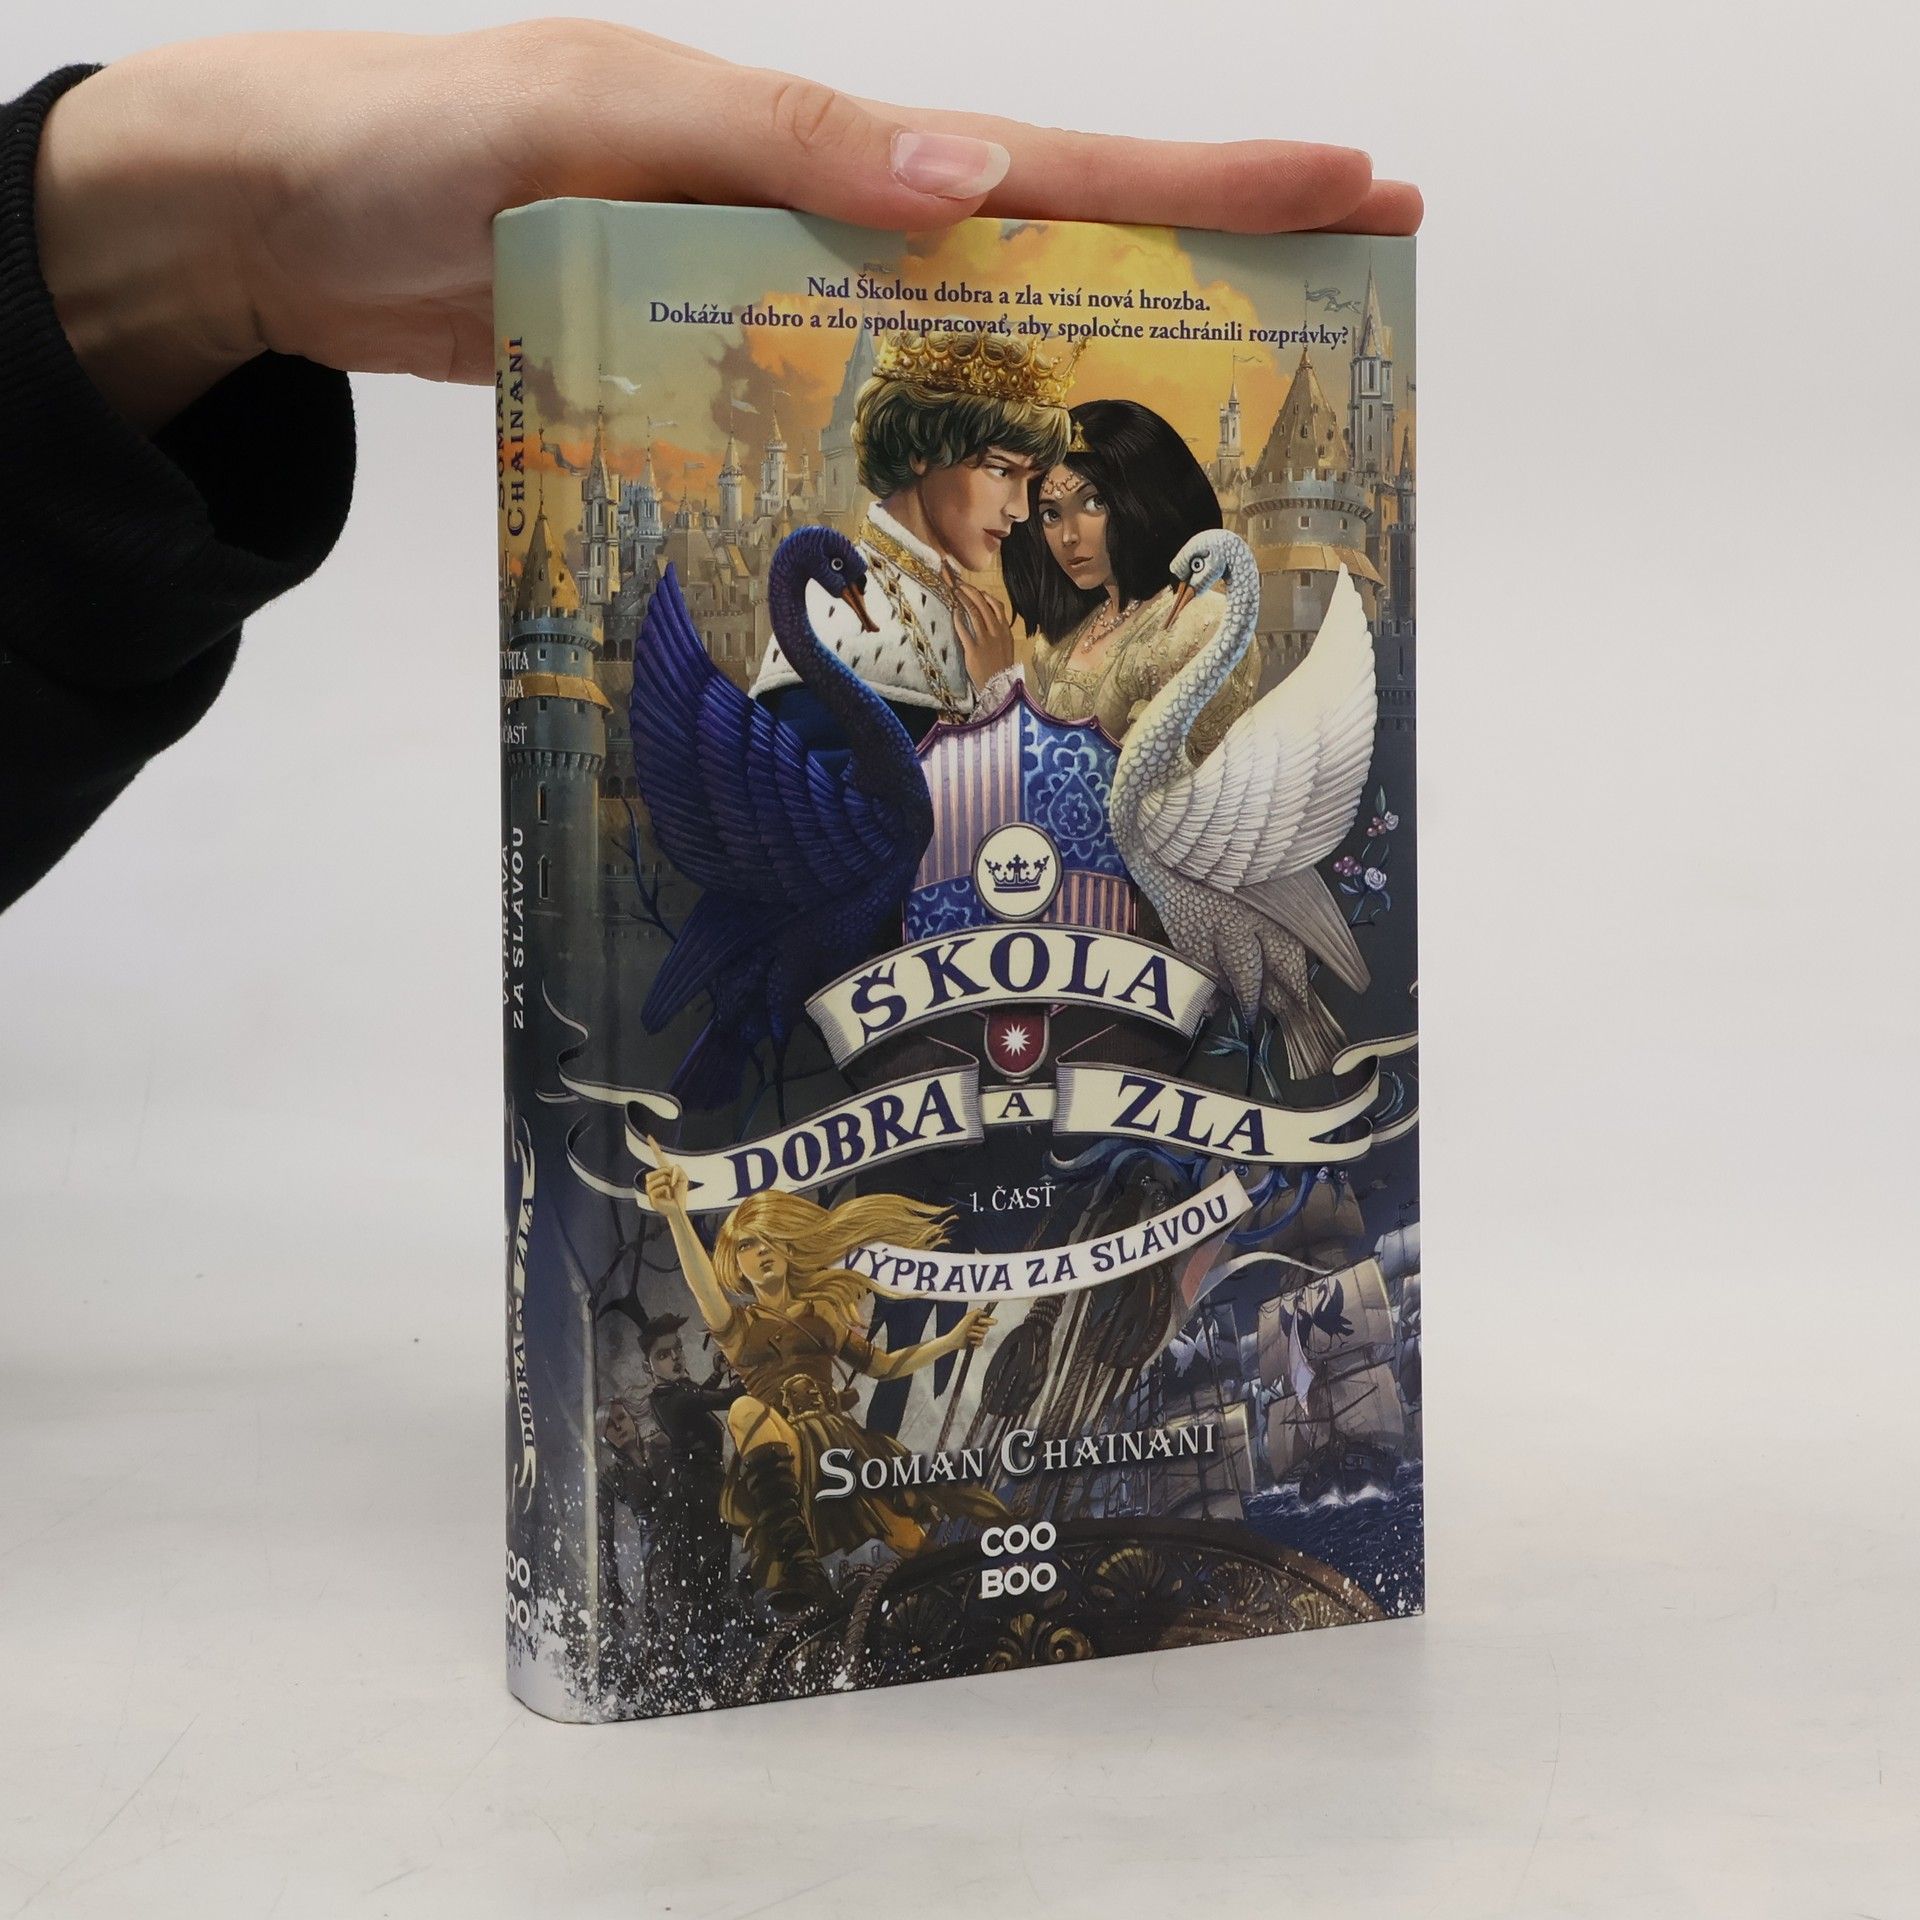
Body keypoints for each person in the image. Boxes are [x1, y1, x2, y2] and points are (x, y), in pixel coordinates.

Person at [0, 24, 1418, 913]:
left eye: (1048, 494)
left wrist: (193, 258)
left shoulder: (999, 611)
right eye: (1010, 478)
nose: (1028, 516)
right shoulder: (861, 615)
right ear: (933, 461)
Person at [643, 1142, 999, 1610]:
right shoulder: (738, 1327)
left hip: (838, 1441)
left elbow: (883, 1365)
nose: (761, 1252)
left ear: (788, 1246)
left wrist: (950, 1341)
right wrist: (676, 1216)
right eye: (747, 1244)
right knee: (745, 1408)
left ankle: (967, 1602)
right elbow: (703, 1287)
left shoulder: (822, 1314)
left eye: (770, 1239)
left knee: (909, 1538)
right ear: (734, 1260)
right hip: (781, 1449)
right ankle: (801, 1568)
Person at [747, 328, 1069, 744]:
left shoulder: (952, 594)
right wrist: (1000, 697)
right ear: (921, 454)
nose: (1020, 509)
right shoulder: (831, 615)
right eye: (1000, 470)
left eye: (1029, 480)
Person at [999, 398, 1261, 759]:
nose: (1068, 536)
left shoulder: (1201, 625)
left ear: (1141, 500)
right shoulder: (1061, 640)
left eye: (1094, 503)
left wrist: (995, 688)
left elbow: (1133, 777)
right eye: (1051, 515)